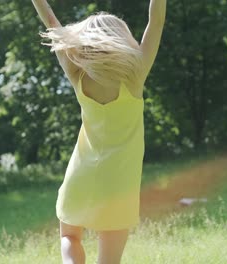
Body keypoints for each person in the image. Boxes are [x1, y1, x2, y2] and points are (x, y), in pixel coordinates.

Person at [31, 1, 166, 263]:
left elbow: (52, 24)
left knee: (69, 237)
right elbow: (156, 22)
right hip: (119, 181)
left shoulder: (77, 76)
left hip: (83, 174)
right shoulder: (134, 76)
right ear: (121, 41)